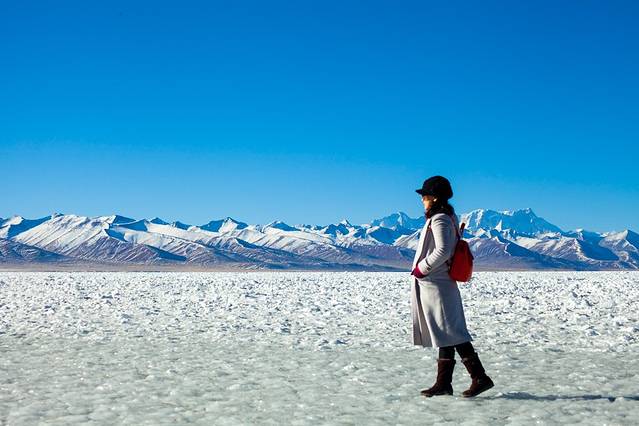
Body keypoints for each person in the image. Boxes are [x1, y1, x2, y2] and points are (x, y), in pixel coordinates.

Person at [410, 175, 494, 398]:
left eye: (425, 196)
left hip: (437, 284)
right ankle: (443, 383)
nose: (422, 199)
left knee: (453, 332)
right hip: (437, 283)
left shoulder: (440, 220)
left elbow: (443, 250)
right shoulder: (446, 217)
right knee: (445, 332)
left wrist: (422, 268)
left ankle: (480, 377)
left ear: (435, 198)